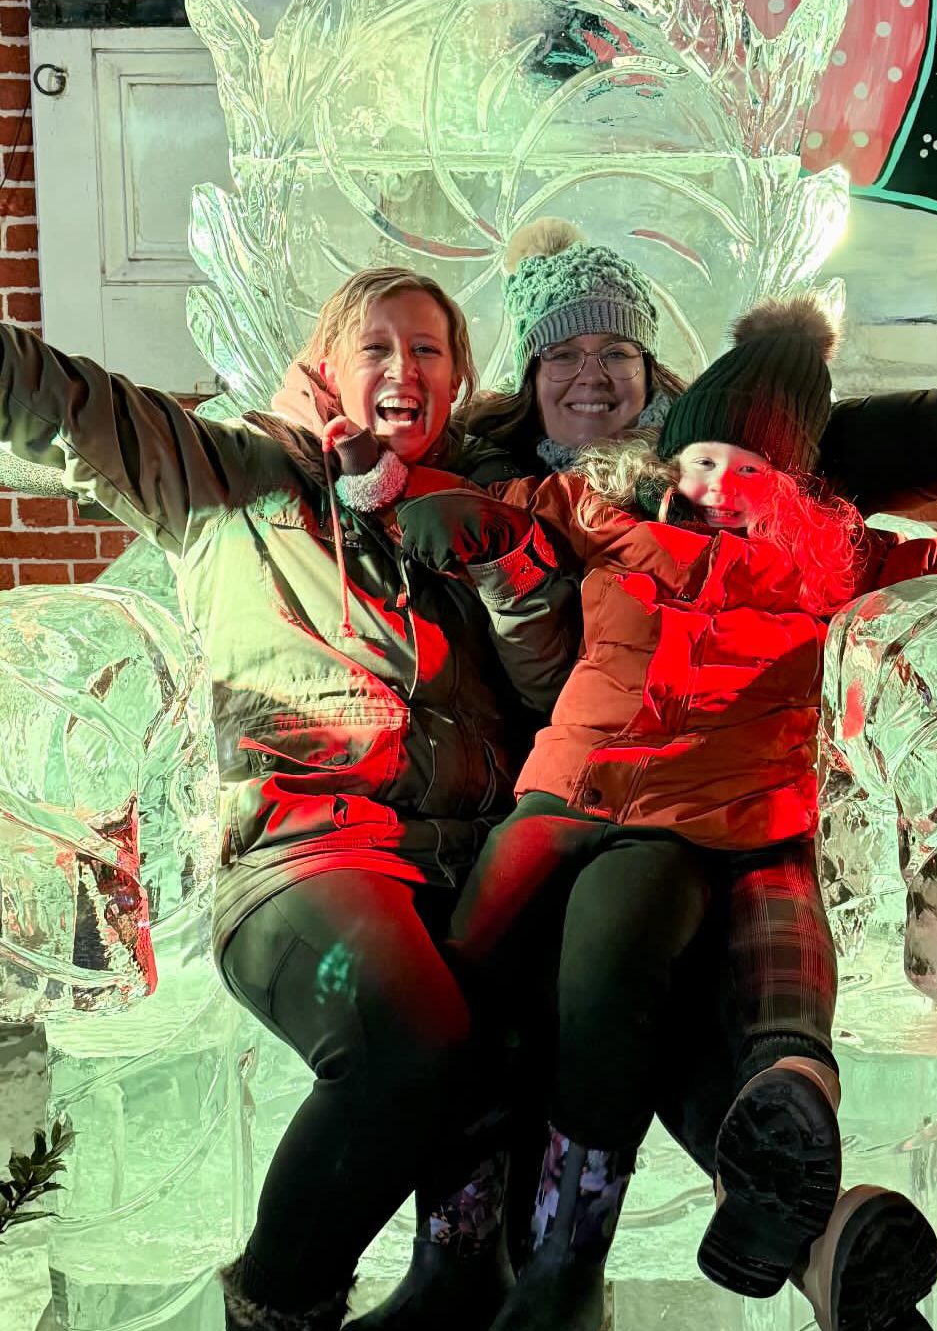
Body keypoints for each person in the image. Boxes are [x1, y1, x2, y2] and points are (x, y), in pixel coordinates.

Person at [393, 293, 937, 1331]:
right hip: (567, 792)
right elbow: (506, 511)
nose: (719, 483)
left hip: (720, 821)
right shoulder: (605, 509)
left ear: (792, 482)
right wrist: (412, 495)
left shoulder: (824, 556)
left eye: (750, 468)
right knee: (486, 971)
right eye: (702, 460)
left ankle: (760, 1124)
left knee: (679, 949)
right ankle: (543, 1248)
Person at [0, 268, 582, 1331]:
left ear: (458, 378)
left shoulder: (476, 500)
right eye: (378, 347)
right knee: (413, 1037)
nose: (404, 369)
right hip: (305, 852)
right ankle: (275, 1308)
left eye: (429, 349)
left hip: (464, 855)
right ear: (326, 363)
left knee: (540, 1031)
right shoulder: (237, 475)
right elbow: (69, 406)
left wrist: (503, 566)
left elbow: (554, 691)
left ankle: (462, 1288)